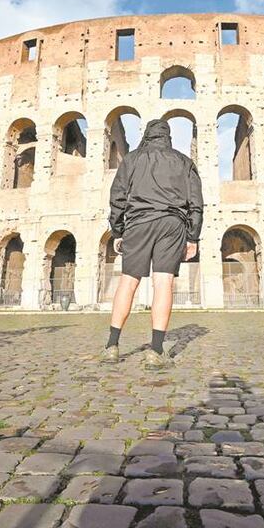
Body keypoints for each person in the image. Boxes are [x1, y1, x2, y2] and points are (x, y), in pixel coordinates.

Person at [101, 119, 203, 369]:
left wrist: (118, 231)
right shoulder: (183, 162)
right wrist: (193, 236)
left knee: (128, 281)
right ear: (168, 137)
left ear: (147, 135)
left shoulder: (133, 159)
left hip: (138, 222)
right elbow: (196, 203)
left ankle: (112, 346)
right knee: (163, 281)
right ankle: (156, 351)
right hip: (171, 223)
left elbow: (117, 197)